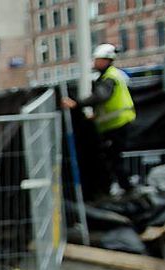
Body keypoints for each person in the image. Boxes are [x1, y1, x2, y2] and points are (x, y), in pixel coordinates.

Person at [62, 43, 137, 193]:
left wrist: (77, 104)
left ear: (105, 60)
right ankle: (122, 188)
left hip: (116, 124)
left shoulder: (109, 78)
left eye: (97, 59)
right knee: (113, 158)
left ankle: (126, 190)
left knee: (114, 159)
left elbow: (101, 96)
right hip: (117, 123)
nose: (95, 62)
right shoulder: (113, 75)